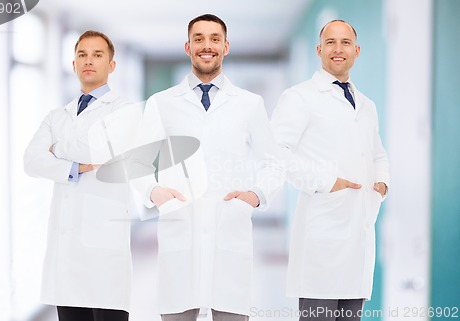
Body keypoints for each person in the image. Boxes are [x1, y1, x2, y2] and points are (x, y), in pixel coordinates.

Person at [141, 14, 283, 321]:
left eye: (215, 39)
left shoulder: (249, 104)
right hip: (181, 229)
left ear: (226, 46)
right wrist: (153, 191)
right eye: (199, 39)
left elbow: (273, 162)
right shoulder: (161, 103)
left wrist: (256, 195)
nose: (207, 46)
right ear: (188, 46)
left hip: (229, 230)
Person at [270, 20, 390, 321]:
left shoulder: (367, 105)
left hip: (358, 237)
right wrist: (327, 182)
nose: (338, 49)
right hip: (321, 239)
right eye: (331, 42)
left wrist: (382, 184)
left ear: (357, 50)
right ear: (319, 49)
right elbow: (276, 152)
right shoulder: (299, 97)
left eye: (346, 42)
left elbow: (376, 153)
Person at [24, 30, 136, 321]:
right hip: (67, 252)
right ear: (73, 64)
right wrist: (76, 167)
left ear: (111, 65)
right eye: (82, 55)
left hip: (104, 245)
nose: (89, 61)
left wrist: (57, 149)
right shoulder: (57, 115)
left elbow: (101, 148)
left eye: (98, 55)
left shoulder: (125, 111)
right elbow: (31, 161)